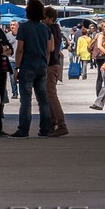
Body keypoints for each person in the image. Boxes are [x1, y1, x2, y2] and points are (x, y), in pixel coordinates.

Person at [13, 0, 53, 137]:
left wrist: (16, 68)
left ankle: (24, 129)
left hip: (27, 66)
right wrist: (45, 65)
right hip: (41, 66)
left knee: (26, 100)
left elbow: (20, 50)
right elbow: (49, 50)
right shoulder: (45, 28)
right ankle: (45, 129)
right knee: (43, 99)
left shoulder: (24, 27)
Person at [42, 7, 69, 136]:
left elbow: (50, 49)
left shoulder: (49, 29)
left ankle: (61, 123)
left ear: (50, 18)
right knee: (49, 95)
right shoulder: (57, 28)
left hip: (50, 64)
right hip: (55, 64)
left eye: (45, 17)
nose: (43, 20)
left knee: (51, 95)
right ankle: (52, 124)